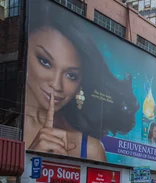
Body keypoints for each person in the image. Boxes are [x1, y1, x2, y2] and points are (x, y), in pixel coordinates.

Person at [23, 2, 138, 161]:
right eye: (45, 62)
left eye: (71, 75)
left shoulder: (89, 149)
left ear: (80, 84)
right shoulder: (8, 123)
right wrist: (30, 159)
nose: (56, 85)